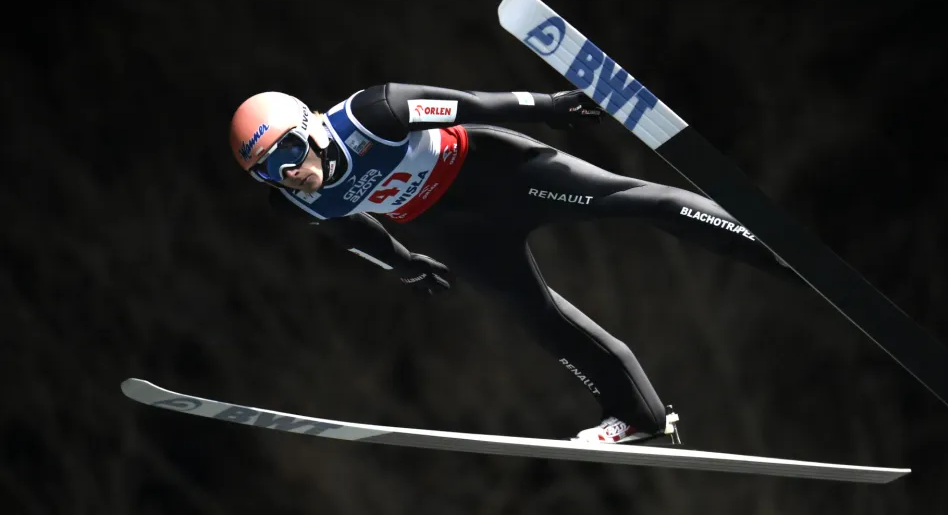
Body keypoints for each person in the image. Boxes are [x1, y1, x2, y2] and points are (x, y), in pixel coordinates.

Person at [228, 83, 797, 444]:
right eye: (268, 170)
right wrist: (402, 264)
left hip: (500, 174)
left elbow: (466, 104)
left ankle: (776, 251)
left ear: (312, 127)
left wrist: (548, 107)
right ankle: (638, 417)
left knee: (634, 201)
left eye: (289, 153)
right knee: (536, 317)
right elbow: (349, 229)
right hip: (456, 231)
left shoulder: (374, 113)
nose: (289, 172)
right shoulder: (293, 199)